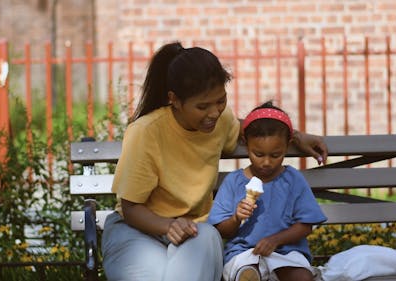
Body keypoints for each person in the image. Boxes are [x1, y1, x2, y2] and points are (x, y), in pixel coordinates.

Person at [101, 42, 328, 281]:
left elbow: (253, 129)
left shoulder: (220, 121)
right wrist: (168, 226)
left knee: (207, 235)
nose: (214, 113)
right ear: (174, 100)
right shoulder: (146, 132)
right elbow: (131, 208)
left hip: (195, 233)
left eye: (221, 101)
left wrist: (297, 136)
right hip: (137, 233)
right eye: (202, 106)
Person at [208, 101, 327, 281]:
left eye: (275, 155)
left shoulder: (292, 180)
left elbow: (305, 225)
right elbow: (222, 231)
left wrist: (275, 240)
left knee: (302, 277)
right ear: (245, 143)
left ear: (288, 145)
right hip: (244, 254)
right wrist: (236, 218)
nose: (266, 162)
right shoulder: (234, 182)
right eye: (258, 154)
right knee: (247, 275)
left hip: (287, 252)